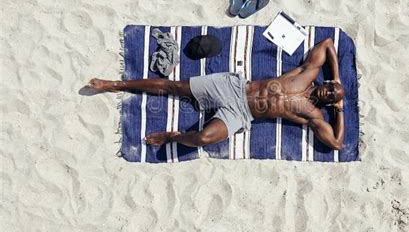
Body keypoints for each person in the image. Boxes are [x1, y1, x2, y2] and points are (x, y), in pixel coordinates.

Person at [88, 38, 345, 150]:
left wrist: (340, 111)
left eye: (333, 94)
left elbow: (336, 143)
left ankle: (173, 138)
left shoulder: (313, 115)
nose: (330, 89)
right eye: (331, 85)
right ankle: (115, 85)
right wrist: (338, 76)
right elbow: (328, 45)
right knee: (174, 87)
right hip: (233, 87)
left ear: (331, 102)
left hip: (241, 114)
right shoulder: (307, 73)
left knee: (203, 138)